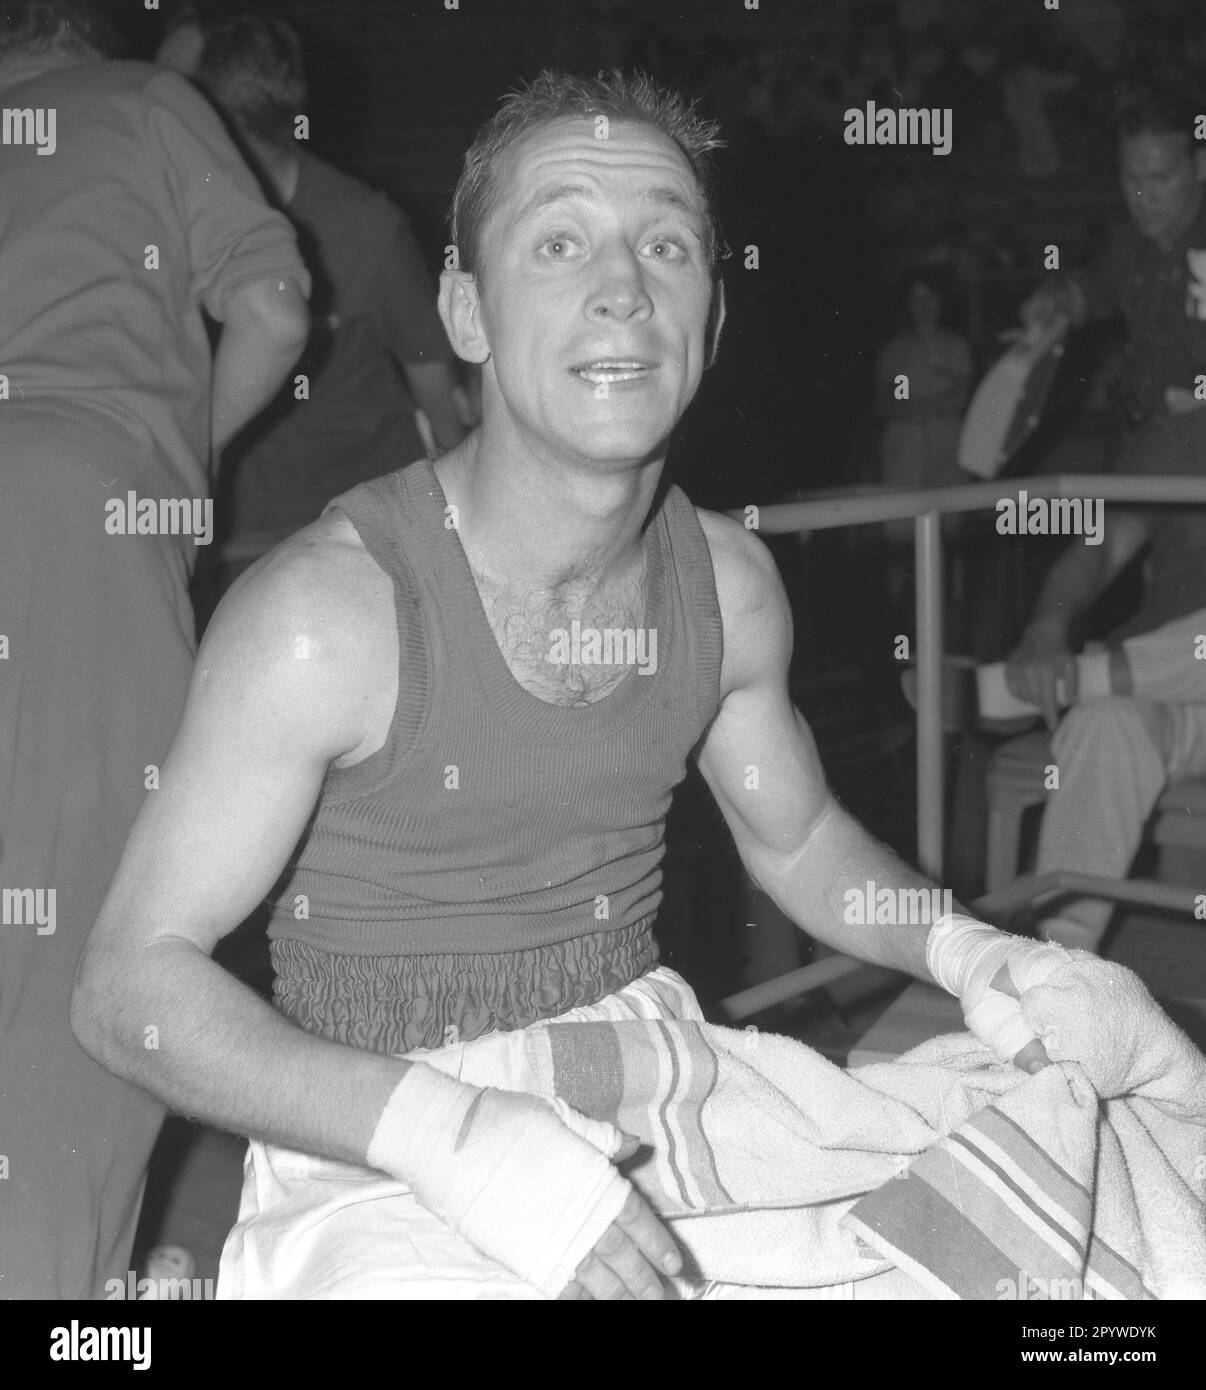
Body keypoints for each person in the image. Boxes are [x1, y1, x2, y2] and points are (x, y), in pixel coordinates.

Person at [75, 69, 1128, 1302]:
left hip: (643, 1071)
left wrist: (974, 951)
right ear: (464, 313)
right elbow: (125, 985)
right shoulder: (327, 618)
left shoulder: (729, 588)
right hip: (377, 1131)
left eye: (667, 245)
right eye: (561, 241)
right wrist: (459, 1138)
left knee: (1069, 1242)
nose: (622, 288)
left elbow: (800, 845)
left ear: (712, 318)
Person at [0, 0, 310, 1299]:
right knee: (86, 928)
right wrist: (175, 470)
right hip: (73, 511)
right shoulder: (139, 101)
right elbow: (276, 308)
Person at [1006, 90, 1206, 952]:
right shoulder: (1166, 437)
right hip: (1170, 691)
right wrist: (1050, 624)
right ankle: (1059, 990)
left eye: (1162, 175)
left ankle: (1093, 674)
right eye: (1131, 177)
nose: (1144, 193)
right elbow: (1097, 547)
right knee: (1101, 723)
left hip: (1154, 667)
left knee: (1111, 684)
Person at [162, 9, 467, 561]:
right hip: (222, 536)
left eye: (167, 97)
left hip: (356, 537)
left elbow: (434, 382)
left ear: (218, 122)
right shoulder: (162, 223)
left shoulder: (367, 229)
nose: (144, 106)